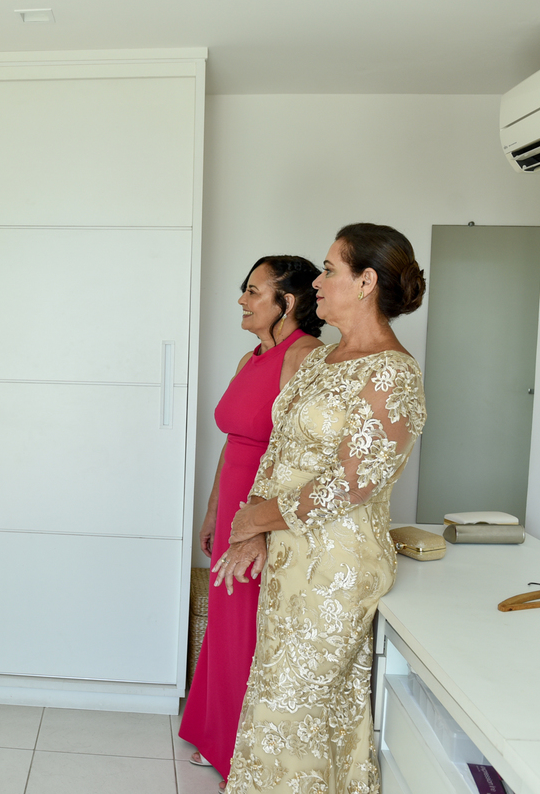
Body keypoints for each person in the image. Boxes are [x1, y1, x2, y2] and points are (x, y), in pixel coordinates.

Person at [214, 223, 427, 794]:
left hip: (337, 571)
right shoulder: (320, 360)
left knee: (292, 715)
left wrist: (255, 519)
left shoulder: (393, 372)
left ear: (365, 282)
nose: (317, 282)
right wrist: (254, 530)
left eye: (329, 270)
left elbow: (352, 484)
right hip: (290, 563)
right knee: (285, 710)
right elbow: (278, 450)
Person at [180, 256, 324, 783]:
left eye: (253, 290)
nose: (242, 299)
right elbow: (232, 444)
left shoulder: (307, 357)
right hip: (235, 508)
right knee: (226, 623)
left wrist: (259, 526)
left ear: (288, 302)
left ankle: (246, 758)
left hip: (266, 516)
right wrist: (213, 511)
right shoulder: (250, 358)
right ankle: (219, 737)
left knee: (250, 629)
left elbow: (302, 455)